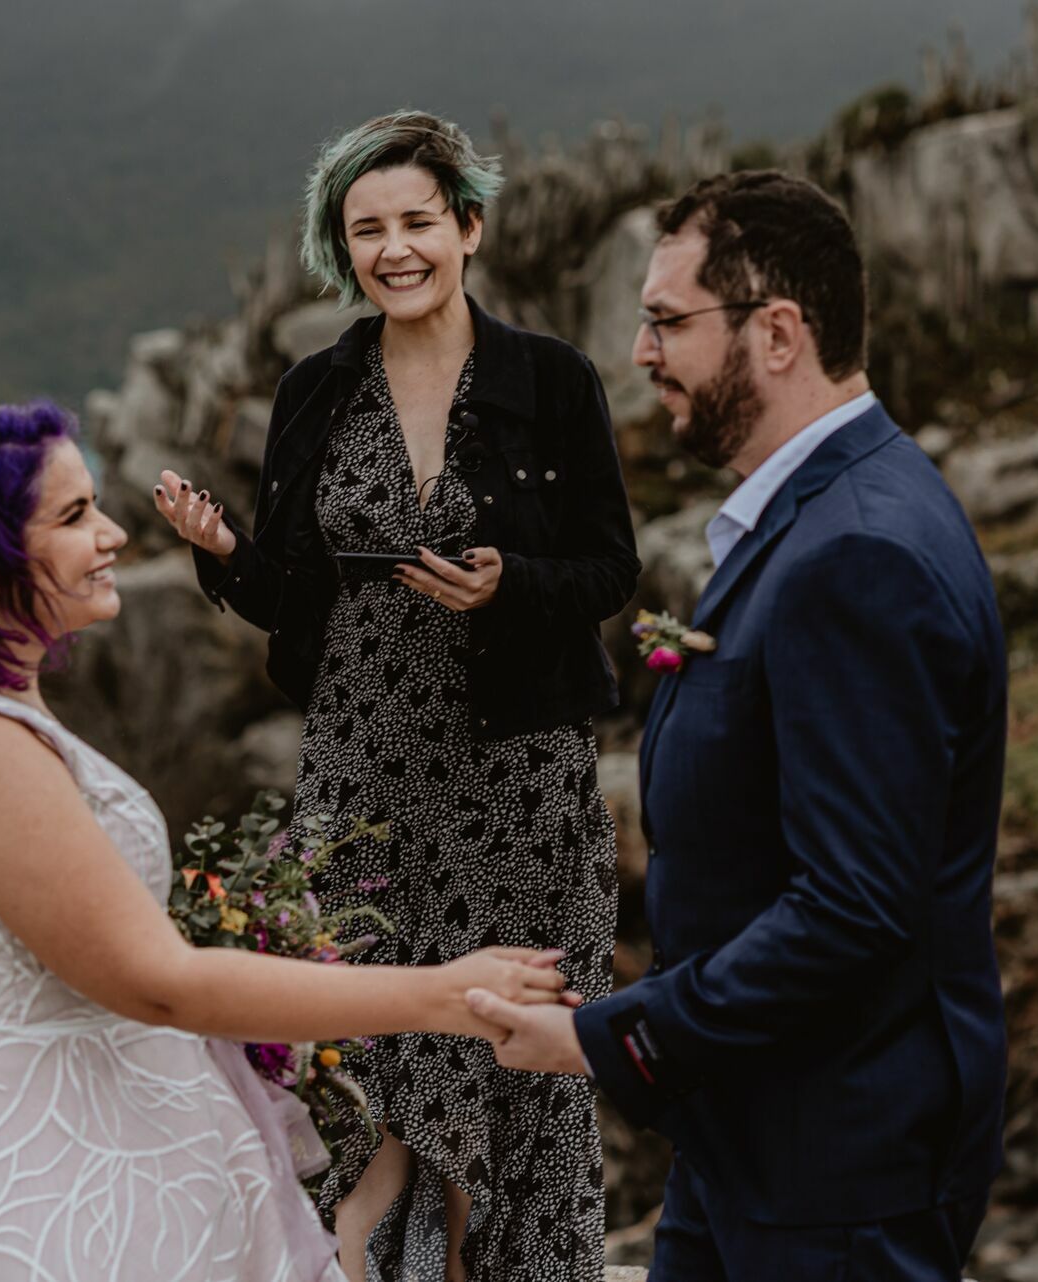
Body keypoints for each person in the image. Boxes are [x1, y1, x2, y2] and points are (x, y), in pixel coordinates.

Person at [0, 389, 576, 1282]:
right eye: (76, 515)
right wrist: (443, 995)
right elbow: (161, 985)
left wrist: (24, 976)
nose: (116, 535)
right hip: (43, 1168)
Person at [467, 170, 1010, 1282]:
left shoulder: (859, 553)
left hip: (837, 1171)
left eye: (668, 322)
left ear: (776, 333)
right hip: (753, 1143)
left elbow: (855, 906)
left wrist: (608, 1037)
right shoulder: (820, 515)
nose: (640, 352)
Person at [152, 110, 639, 1282]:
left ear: (468, 227)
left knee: (498, 1053)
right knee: (368, 1052)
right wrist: (219, 551)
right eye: (367, 230)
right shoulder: (315, 390)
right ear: (343, 253)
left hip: (514, 774)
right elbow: (284, 590)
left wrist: (509, 581)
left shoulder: (552, 381)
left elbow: (613, 570)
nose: (396, 248)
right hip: (363, 769)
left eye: (419, 220)